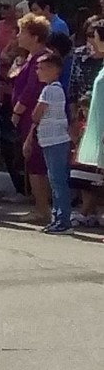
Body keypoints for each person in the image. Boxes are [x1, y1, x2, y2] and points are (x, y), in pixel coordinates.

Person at [8, 13, 51, 223]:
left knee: (36, 162)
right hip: (29, 117)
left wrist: (17, 110)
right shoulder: (30, 58)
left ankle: (43, 210)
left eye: (22, 32)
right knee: (32, 161)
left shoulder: (41, 58)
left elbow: (32, 88)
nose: (18, 36)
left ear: (35, 36)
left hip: (34, 116)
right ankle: (40, 207)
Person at [28, 54, 74, 233]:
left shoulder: (50, 90)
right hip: (51, 140)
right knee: (55, 180)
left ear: (54, 70)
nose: (38, 71)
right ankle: (58, 217)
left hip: (55, 140)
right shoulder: (54, 88)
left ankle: (63, 220)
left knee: (57, 180)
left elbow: (36, 114)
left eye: (42, 68)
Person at [66, 19, 104, 227]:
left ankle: (93, 210)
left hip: (99, 121)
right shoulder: (81, 56)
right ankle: (88, 210)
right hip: (87, 119)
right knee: (86, 168)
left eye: (95, 35)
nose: (92, 40)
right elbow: (73, 88)